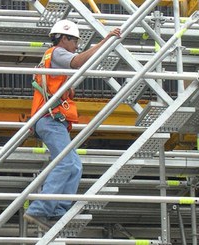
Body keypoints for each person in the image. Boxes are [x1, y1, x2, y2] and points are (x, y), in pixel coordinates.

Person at [23, 19, 121, 230]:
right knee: (66, 163)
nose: (76, 45)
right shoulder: (58, 53)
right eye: (74, 41)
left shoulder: (53, 58)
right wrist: (105, 41)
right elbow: (77, 62)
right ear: (64, 38)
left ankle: (59, 211)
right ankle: (39, 210)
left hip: (52, 120)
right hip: (49, 119)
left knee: (75, 165)